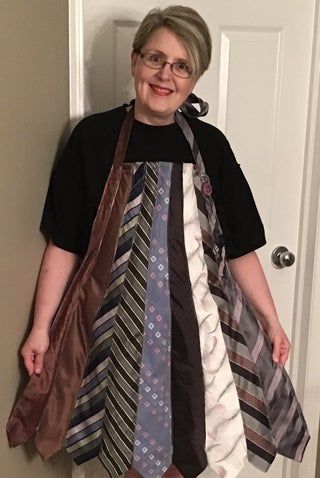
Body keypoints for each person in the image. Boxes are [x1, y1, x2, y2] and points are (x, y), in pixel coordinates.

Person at [15, 5, 307, 478]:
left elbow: (240, 249)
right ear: (134, 61)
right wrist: (41, 327)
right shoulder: (93, 138)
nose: (165, 75)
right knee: (122, 450)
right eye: (155, 58)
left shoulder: (211, 146)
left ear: (195, 78)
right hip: (112, 325)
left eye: (181, 65)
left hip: (196, 327)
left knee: (189, 439)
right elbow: (65, 244)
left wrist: (271, 322)